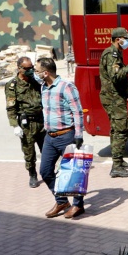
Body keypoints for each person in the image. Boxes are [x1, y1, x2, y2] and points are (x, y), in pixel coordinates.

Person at [35, 57, 86, 219]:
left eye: (37, 71)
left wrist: (78, 135)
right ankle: (61, 200)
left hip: (66, 135)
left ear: (46, 72)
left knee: (73, 172)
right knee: (45, 171)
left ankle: (78, 205)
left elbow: (77, 111)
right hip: (50, 137)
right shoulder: (44, 87)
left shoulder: (66, 87)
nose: (35, 74)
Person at [99, 27, 128, 177]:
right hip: (113, 99)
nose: (127, 41)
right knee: (120, 131)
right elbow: (115, 77)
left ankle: (119, 160)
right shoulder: (112, 54)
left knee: (117, 129)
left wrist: (124, 93)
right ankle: (116, 167)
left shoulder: (115, 53)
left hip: (115, 96)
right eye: (125, 38)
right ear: (118, 39)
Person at [5, 56, 46, 188]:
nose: (30, 70)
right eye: (27, 69)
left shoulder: (36, 81)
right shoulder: (13, 85)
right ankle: (32, 174)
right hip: (26, 123)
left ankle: (48, 172)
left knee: (46, 150)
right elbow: (11, 107)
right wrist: (15, 126)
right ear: (19, 68)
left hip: (40, 120)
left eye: (31, 68)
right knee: (29, 152)